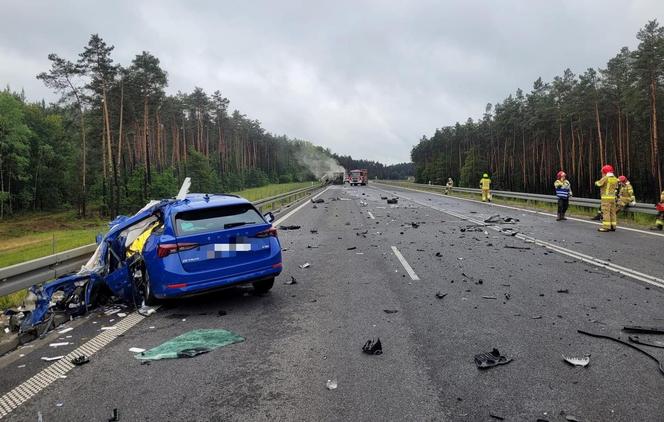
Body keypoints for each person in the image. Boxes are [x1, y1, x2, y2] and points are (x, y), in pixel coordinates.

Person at [595, 164, 619, 232]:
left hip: (606, 199)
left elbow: (599, 184)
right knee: (612, 212)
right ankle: (613, 226)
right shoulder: (615, 178)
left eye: (603, 172)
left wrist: (596, 182)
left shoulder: (605, 178)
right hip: (613, 198)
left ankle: (606, 227)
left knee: (606, 212)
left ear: (605, 172)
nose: (602, 173)